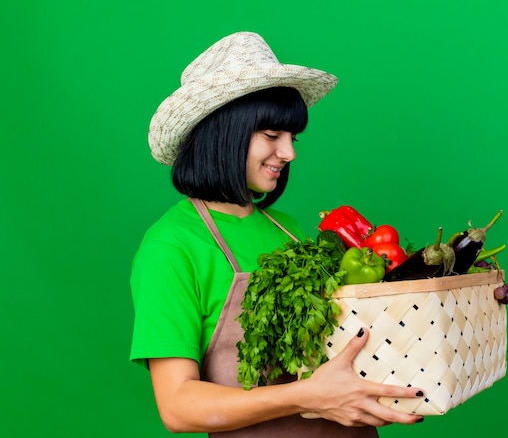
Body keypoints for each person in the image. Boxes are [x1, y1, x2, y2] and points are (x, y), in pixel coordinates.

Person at [129, 31, 426, 437]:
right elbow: (178, 406)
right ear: (223, 133)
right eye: (272, 136)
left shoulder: (288, 228)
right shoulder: (173, 246)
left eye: (292, 138)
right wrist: (306, 396)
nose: (289, 153)